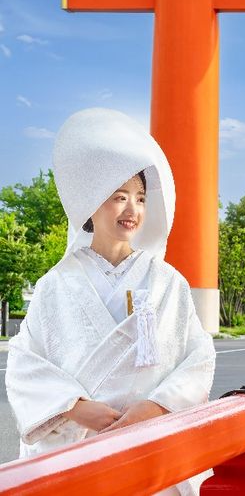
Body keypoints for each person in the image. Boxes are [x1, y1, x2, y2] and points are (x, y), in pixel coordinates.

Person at [5, 108, 216, 495]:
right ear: (92, 203)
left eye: (139, 197)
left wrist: (153, 407)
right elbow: (24, 362)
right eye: (119, 197)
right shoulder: (55, 284)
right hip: (78, 446)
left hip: (149, 440)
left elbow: (198, 359)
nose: (132, 209)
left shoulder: (167, 281)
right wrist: (72, 406)